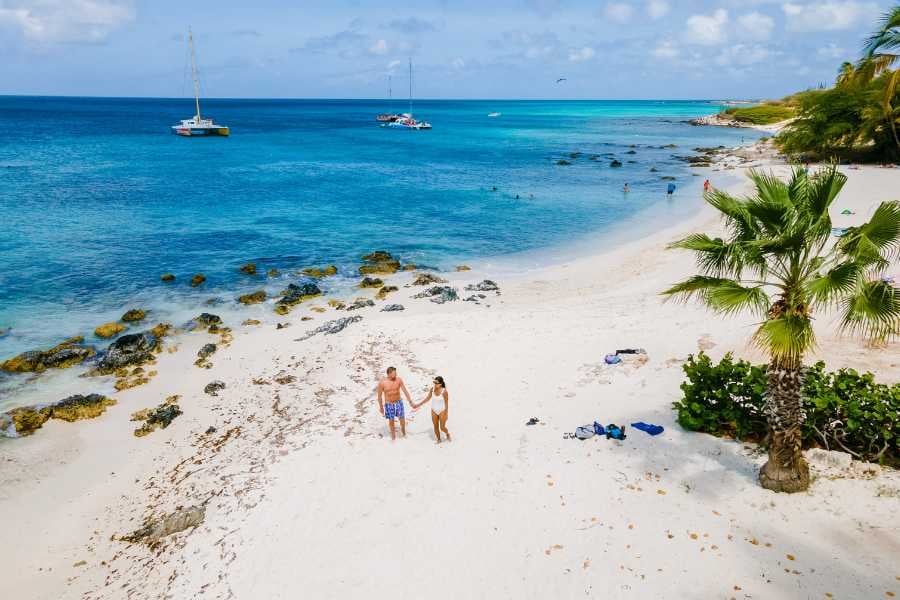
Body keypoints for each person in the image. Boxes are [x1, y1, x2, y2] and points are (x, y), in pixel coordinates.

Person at [376, 366, 413, 441]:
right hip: (389, 404)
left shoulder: (399, 380)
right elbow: (379, 397)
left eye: (396, 373)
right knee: (391, 421)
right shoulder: (382, 383)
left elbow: (405, 391)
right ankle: (393, 437)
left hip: (398, 402)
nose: (396, 375)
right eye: (394, 374)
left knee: (402, 419)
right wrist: (381, 408)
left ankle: (404, 433)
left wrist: (410, 401)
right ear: (389, 374)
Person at [413, 375, 451, 443]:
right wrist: (418, 405)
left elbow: (446, 404)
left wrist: (446, 413)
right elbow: (427, 399)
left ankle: (447, 433)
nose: (435, 384)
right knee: (435, 427)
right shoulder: (432, 389)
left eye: (437, 383)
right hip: (434, 410)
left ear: (441, 384)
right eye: (434, 382)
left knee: (442, 428)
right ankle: (439, 440)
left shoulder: (444, 392)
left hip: (442, 410)